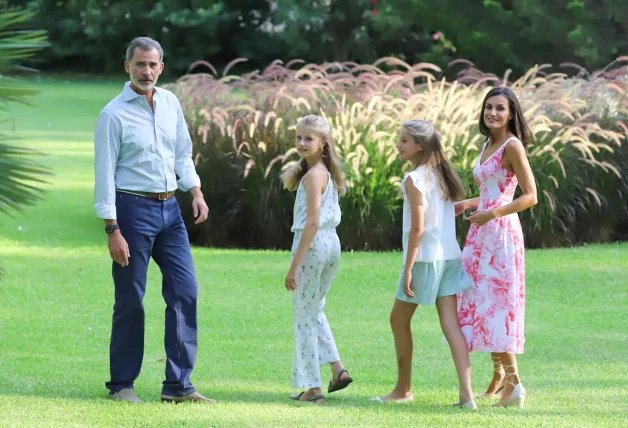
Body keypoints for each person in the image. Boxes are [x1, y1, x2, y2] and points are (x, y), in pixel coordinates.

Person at [93, 36, 214, 404]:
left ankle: (178, 386)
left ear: (161, 67)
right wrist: (112, 229)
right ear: (127, 66)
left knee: (185, 290)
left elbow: (182, 153)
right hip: (131, 211)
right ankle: (122, 385)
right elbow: (104, 175)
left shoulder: (170, 103)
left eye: (153, 65)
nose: (146, 71)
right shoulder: (112, 115)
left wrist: (194, 191)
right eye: (139, 64)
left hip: (170, 210)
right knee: (131, 298)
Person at [372, 119, 476, 409]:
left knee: (398, 320)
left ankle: (403, 390)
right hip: (449, 258)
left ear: (420, 145)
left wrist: (408, 269)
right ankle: (467, 396)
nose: (398, 144)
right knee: (450, 324)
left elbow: (418, 229)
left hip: (425, 261)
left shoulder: (414, 179)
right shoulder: (443, 176)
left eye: (404, 140)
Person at [456, 87, 538, 408]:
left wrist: (493, 213)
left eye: (500, 108)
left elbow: (529, 195)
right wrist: (466, 203)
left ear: (511, 113)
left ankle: (515, 384)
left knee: (498, 305)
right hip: (480, 235)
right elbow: (492, 192)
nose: (492, 113)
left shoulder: (512, 146)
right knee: (481, 302)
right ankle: (500, 377)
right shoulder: (486, 144)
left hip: (501, 235)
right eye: (488, 107)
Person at [282, 114, 353, 404]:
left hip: (313, 245)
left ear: (323, 143)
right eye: (299, 137)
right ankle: (338, 370)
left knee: (304, 317)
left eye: (308, 138)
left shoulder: (314, 176)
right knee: (314, 310)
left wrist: (294, 266)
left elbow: (311, 223)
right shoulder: (325, 171)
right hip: (331, 243)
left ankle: (312, 387)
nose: (301, 142)